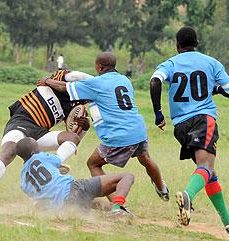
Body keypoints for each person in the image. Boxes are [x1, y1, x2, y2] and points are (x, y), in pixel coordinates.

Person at [38, 52, 170, 202]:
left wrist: (47, 80)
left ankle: (116, 204)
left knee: (93, 163)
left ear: (99, 67)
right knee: (145, 158)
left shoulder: (97, 83)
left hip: (118, 136)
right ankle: (162, 189)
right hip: (138, 130)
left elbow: (65, 87)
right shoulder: (124, 80)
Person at [149, 26, 229, 235]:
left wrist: (158, 113)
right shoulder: (211, 62)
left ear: (177, 45)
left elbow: (155, 82)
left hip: (180, 126)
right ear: (196, 43)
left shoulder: (170, 63)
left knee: (208, 172)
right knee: (206, 167)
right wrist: (213, 89)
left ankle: (228, 222)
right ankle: (188, 196)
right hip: (203, 120)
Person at [0, 69, 93, 202]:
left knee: (72, 138)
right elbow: (76, 75)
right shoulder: (59, 79)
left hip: (40, 132)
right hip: (21, 121)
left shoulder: (75, 105)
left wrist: (85, 125)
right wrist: (97, 81)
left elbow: (77, 136)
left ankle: (54, 164)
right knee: (9, 152)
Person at [17, 137, 134, 215]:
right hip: (75, 189)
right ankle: (118, 207)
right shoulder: (39, 157)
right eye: (37, 147)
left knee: (92, 203)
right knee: (127, 176)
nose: (39, 149)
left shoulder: (23, 181)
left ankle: (118, 210)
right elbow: (58, 160)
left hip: (64, 208)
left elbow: (40, 198)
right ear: (33, 152)